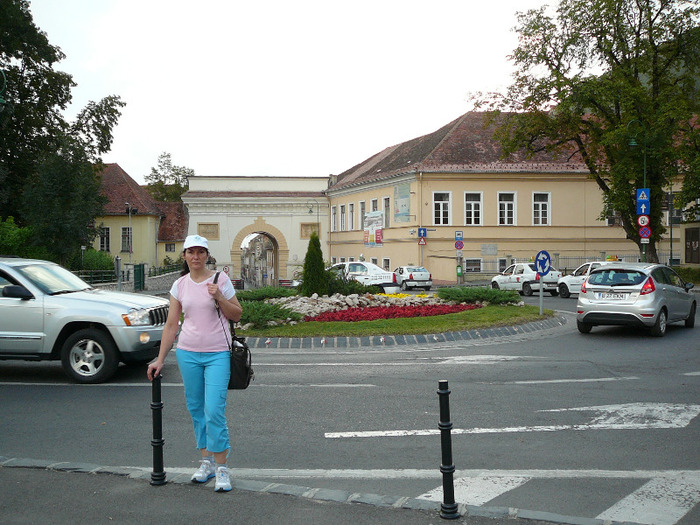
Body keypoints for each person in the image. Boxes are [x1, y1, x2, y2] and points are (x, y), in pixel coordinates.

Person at [147, 235, 243, 492]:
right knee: (197, 409)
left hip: (217, 354)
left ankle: (222, 468)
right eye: (191, 252)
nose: (196, 256)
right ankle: (206, 462)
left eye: (201, 252)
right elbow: (171, 324)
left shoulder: (220, 280)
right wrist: (160, 359)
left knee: (214, 410)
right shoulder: (179, 285)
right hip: (187, 353)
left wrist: (220, 298)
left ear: (207, 256)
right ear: (185, 256)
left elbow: (237, 313)